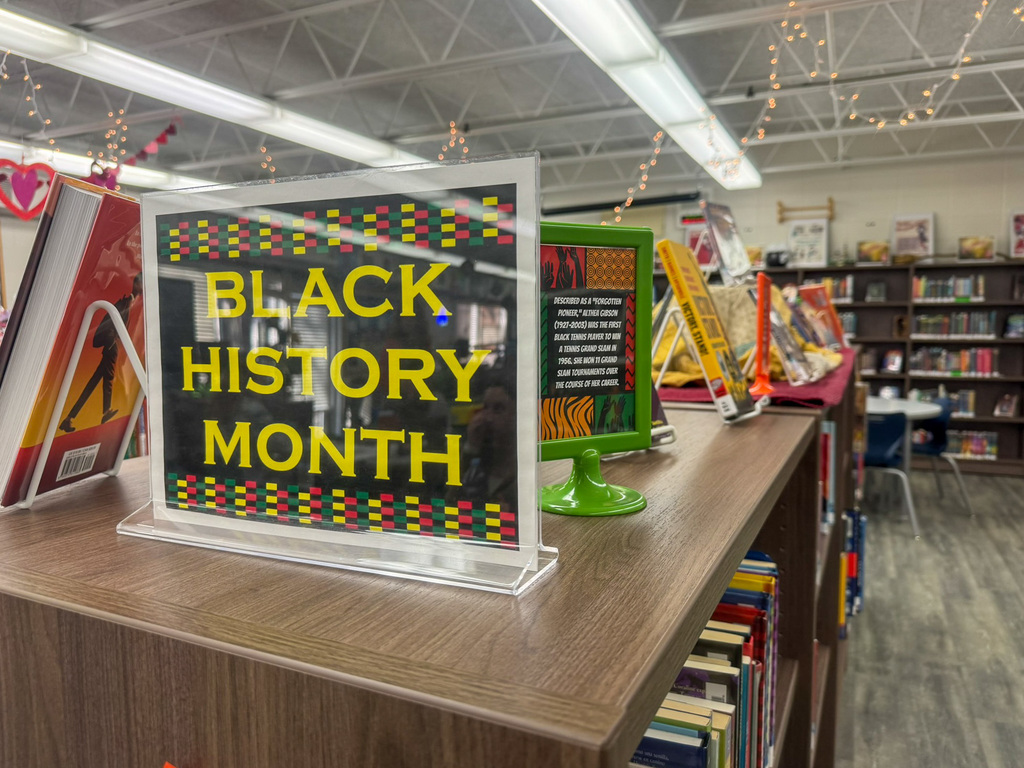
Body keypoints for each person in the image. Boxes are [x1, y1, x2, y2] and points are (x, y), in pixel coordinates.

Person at [59, 273, 142, 433]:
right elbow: (108, 325)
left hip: (112, 346)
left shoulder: (131, 304)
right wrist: (112, 344)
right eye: (142, 283)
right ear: (136, 285)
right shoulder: (123, 303)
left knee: (93, 383)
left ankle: (69, 418)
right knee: (108, 379)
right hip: (111, 347)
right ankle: (106, 411)